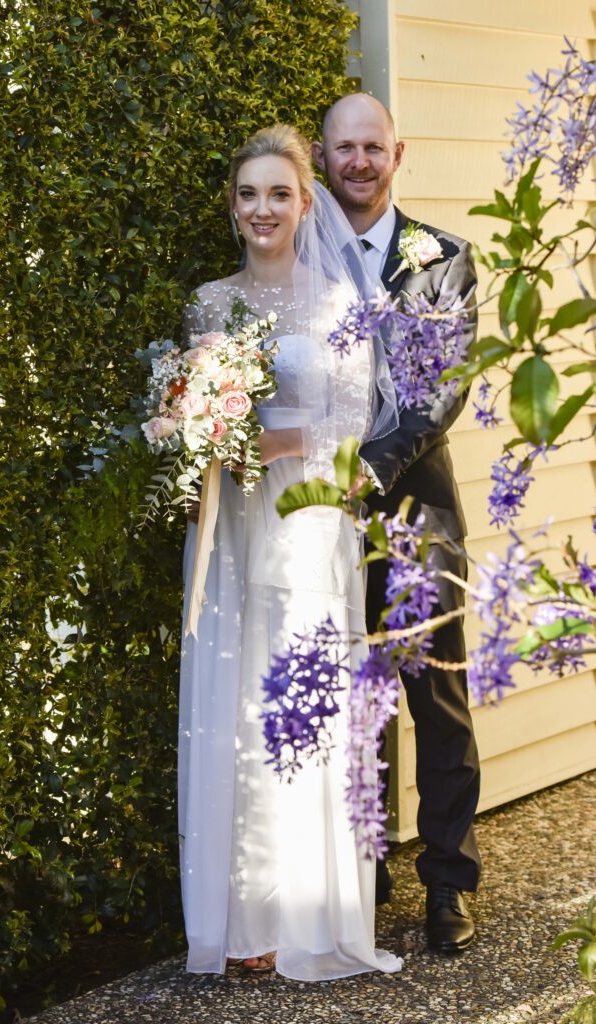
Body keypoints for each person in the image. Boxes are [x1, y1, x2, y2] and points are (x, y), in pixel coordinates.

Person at [178, 124, 402, 980]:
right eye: (248, 194)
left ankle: (307, 915)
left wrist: (264, 441)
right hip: (229, 517)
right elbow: (188, 406)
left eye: (278, 193)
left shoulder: (338, 304)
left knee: (295, 696)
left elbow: (352, 426)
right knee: (231, 700)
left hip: (306, 512)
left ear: (306, 203)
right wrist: (194, 427)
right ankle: (242, 920)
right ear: (231, 207)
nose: (262, 209)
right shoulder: (208, 304)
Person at [312, 93, 481, 954]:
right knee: (355, 700)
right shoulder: (298, 255)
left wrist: (364, 470)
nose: (359, 162)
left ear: (397, 154)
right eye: (344, 148)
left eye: (372, 147)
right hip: (318, 523)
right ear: (320, 156)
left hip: (419, 513)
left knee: (436, 701)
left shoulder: (443, 259)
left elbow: (440, 391)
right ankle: (365, 873)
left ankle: (448, 881)